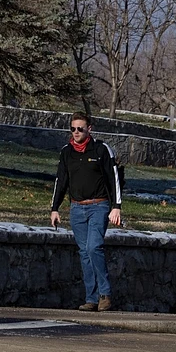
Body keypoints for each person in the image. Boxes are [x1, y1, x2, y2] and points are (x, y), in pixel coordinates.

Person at [50, 111, 122, 312]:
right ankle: (91, 298)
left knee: (94, 247)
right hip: (76, 208)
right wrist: (54, 209)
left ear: (89, 129)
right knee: (84, 253)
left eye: (80, 129)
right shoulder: (67, 152)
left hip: (99, 206)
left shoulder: (101, 150)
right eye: (73, 129)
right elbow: (60, 181)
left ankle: (105, 294)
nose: (76, 132)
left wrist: (116, 207)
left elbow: (113, 178)